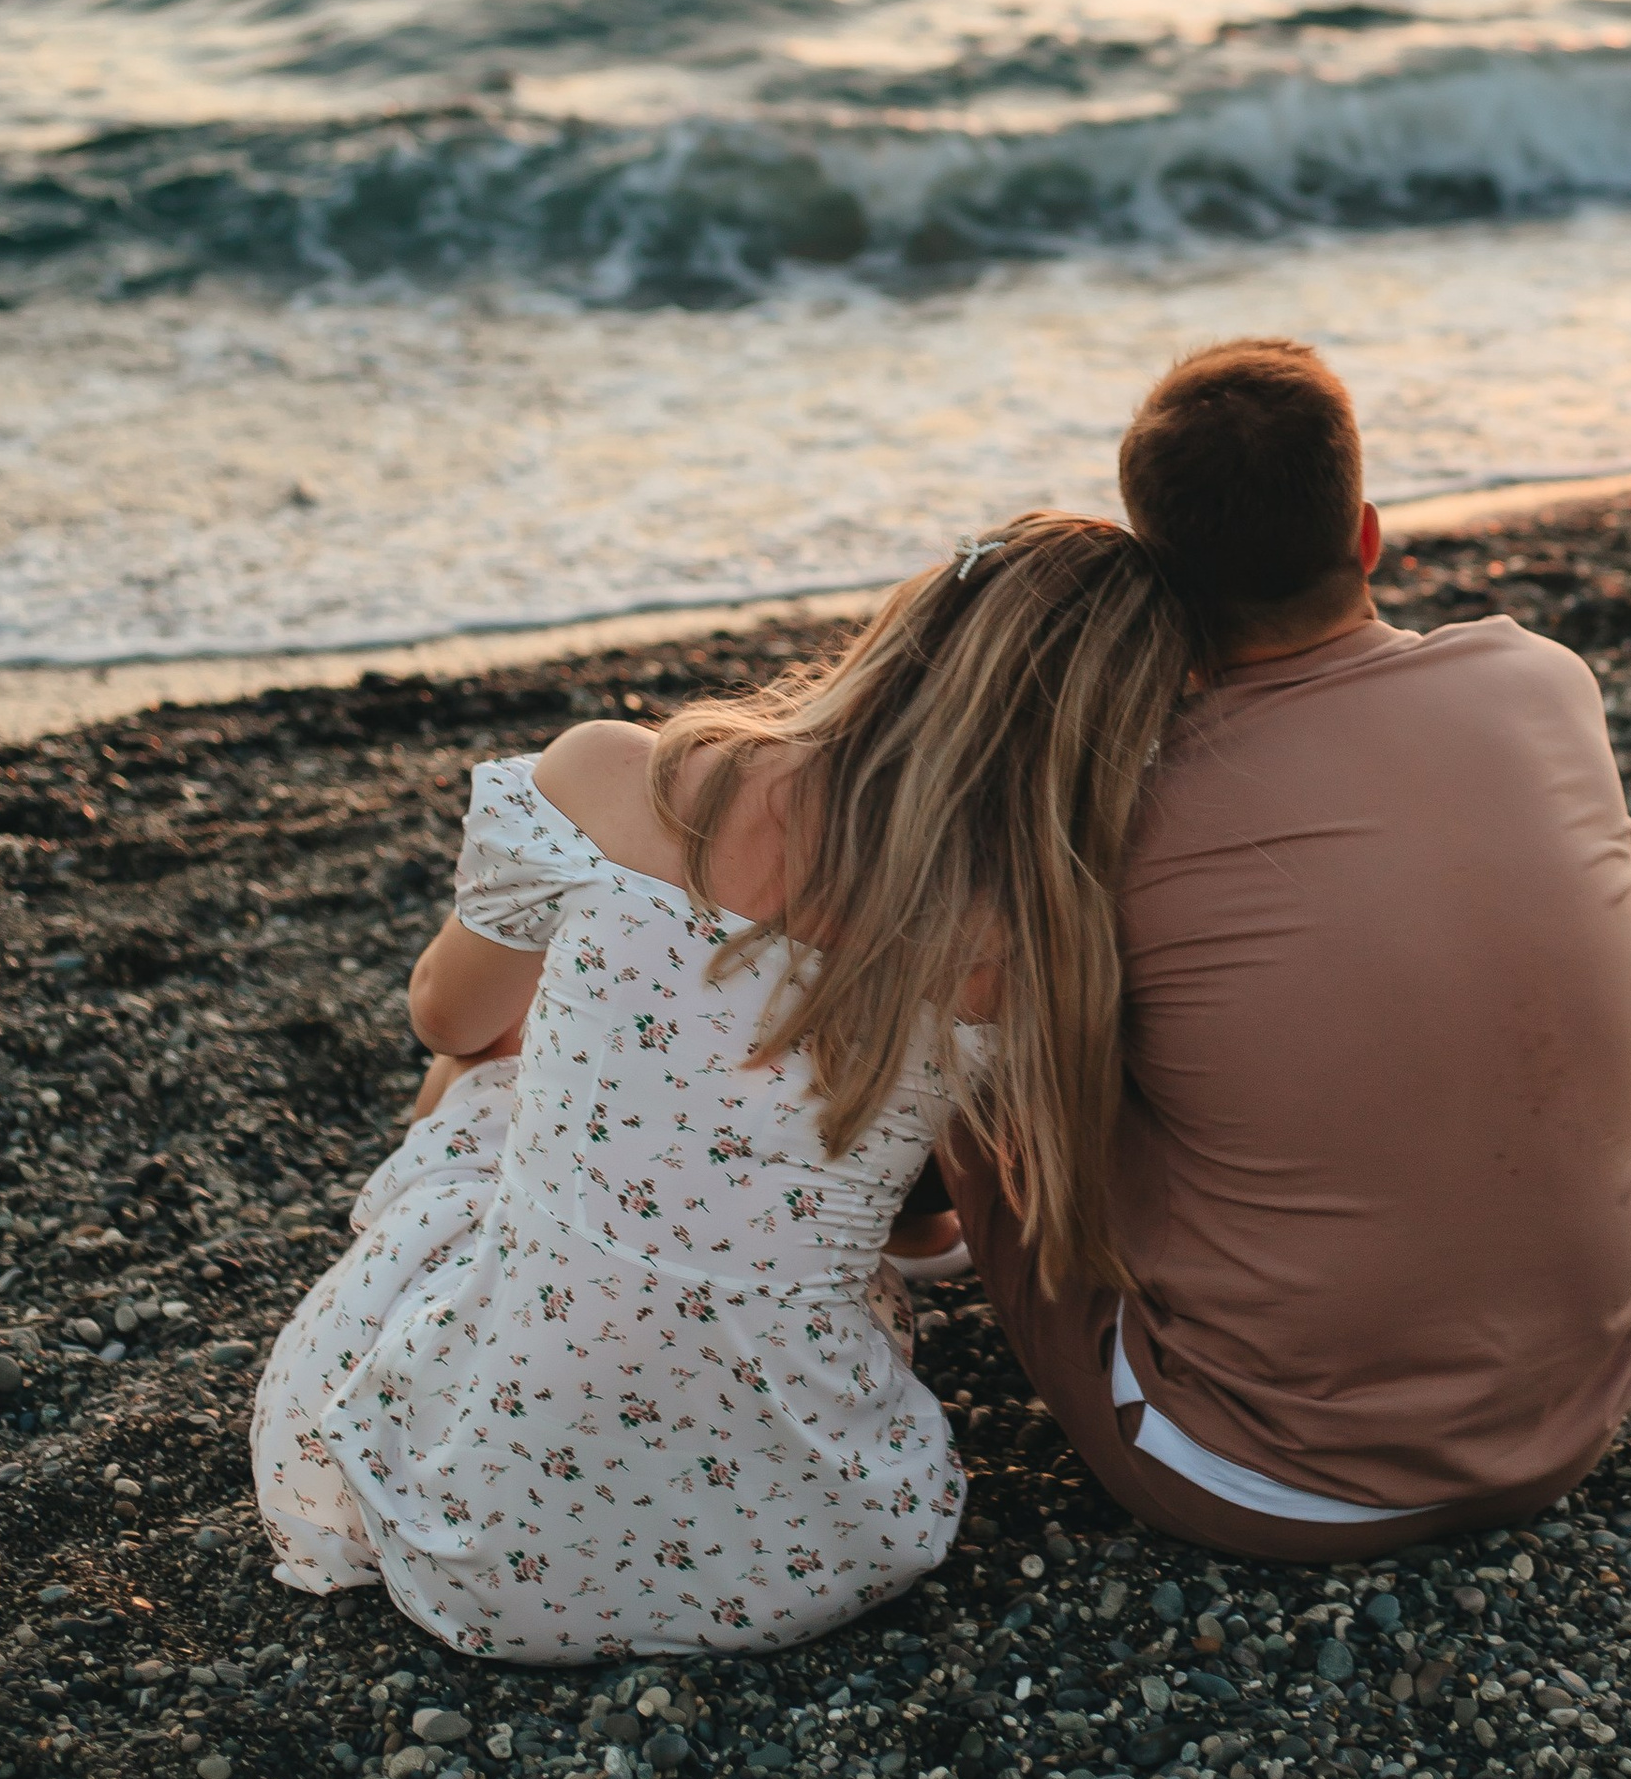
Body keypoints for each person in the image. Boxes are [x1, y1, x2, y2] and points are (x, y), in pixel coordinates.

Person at [251, 514, 1194, 1662]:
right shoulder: (1047, 943)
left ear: (916, 618)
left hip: (481, 1525)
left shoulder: (626, 775)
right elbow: (947, 1202)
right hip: (816, 1537)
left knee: (486, 1056)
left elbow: (444, 1016)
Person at [942, 337, 1631, 1559]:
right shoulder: (1542, 683)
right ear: (1367, 534)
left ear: (1154, 583)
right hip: (1575, 1415)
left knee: (976, 1036)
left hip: (1271, 1480)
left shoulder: (1121, 805)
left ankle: (903, 1254)